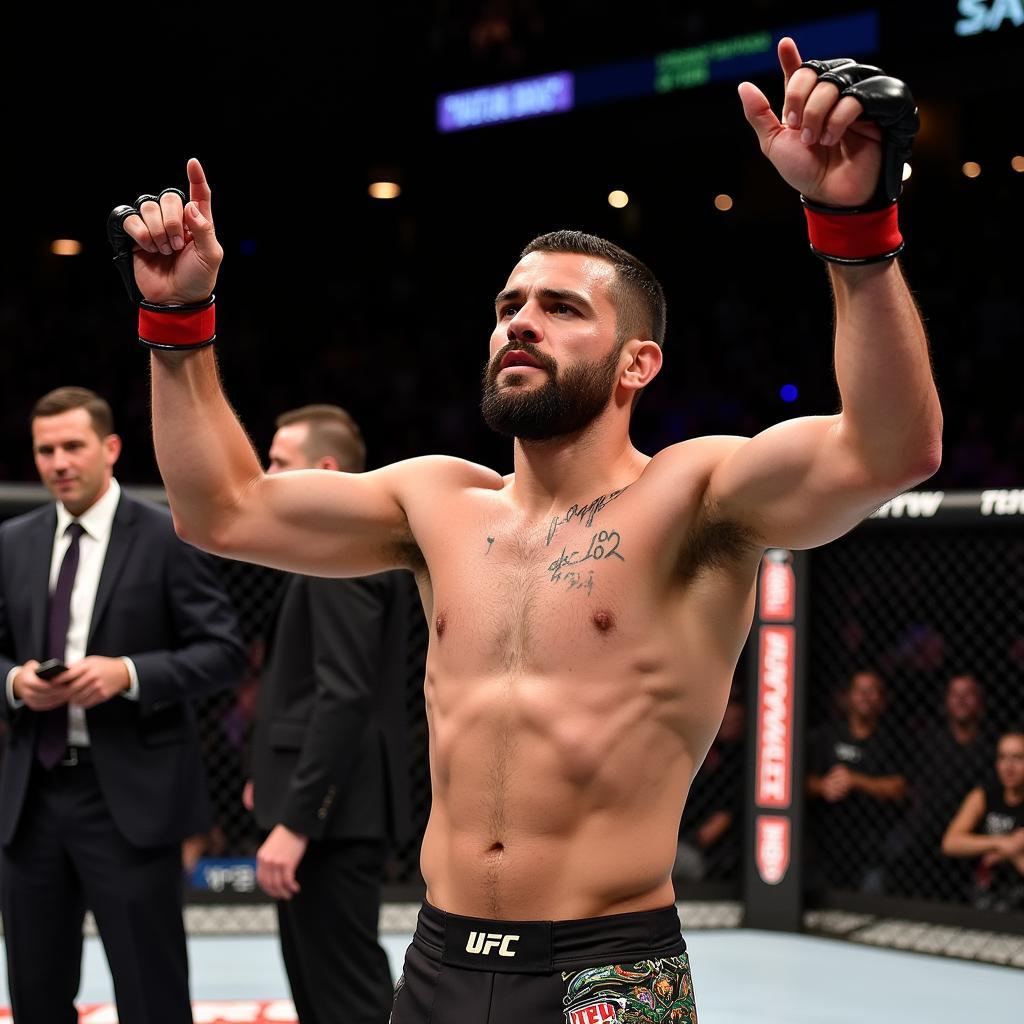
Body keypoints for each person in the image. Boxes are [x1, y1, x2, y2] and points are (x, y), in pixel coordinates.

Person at [112, 39, 941, 1023]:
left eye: (558, 308)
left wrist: (853, 226)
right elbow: (223, 511)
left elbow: (887, 450)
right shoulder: (435, 503)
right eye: (508, 306)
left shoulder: (698, 495)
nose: (519, 323)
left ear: (637, 365)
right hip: (438, 954)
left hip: (608, 968)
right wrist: (179, 321)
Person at [0, 387, 247, 1024]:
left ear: (109, 448)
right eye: (45, 449)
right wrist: (15, 681)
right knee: (34, 992)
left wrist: (128, 673)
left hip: (130, 802)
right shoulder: (14, 542)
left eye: (73, 446)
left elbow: (223, 650)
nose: (58, 462)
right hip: (32, 798)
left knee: (151, 992)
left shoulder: (167, 533)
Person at [245, 404, 415, 1024]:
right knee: (321, 983)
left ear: (324, 469)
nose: (265, 474)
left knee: (341, 989)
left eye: (278, 463)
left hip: (335, 815)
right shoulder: (341, 549)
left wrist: (297, 821)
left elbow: (344, 697)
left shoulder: (343, 556)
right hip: (333, 806)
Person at [806, 670, 907, 891]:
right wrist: (823, 786)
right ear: (848, 696)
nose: (865, 696)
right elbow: (799, 782)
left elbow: (900, 788)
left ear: (882, 700)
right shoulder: (825, 735)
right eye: (860, 690)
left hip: (872, 843)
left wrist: (856, 780)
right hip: (826, 840)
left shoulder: (891, 740)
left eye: (873, 691)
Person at [895, 673, 993, 898]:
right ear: (946, 701)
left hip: (973, 835)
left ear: (980, 702)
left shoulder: (990, 747)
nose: (961, 700)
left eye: (968, 694)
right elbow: (911, 786)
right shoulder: (929, 741)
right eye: (955, 694)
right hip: (927, 833)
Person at [942, 729, 1024, 911]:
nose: (1008, 767)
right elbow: (950, 842)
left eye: (1018, 758)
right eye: (1003, 758)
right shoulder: (984, 795)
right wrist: (1003, 843)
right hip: (983, 896)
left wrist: (1014, 855)